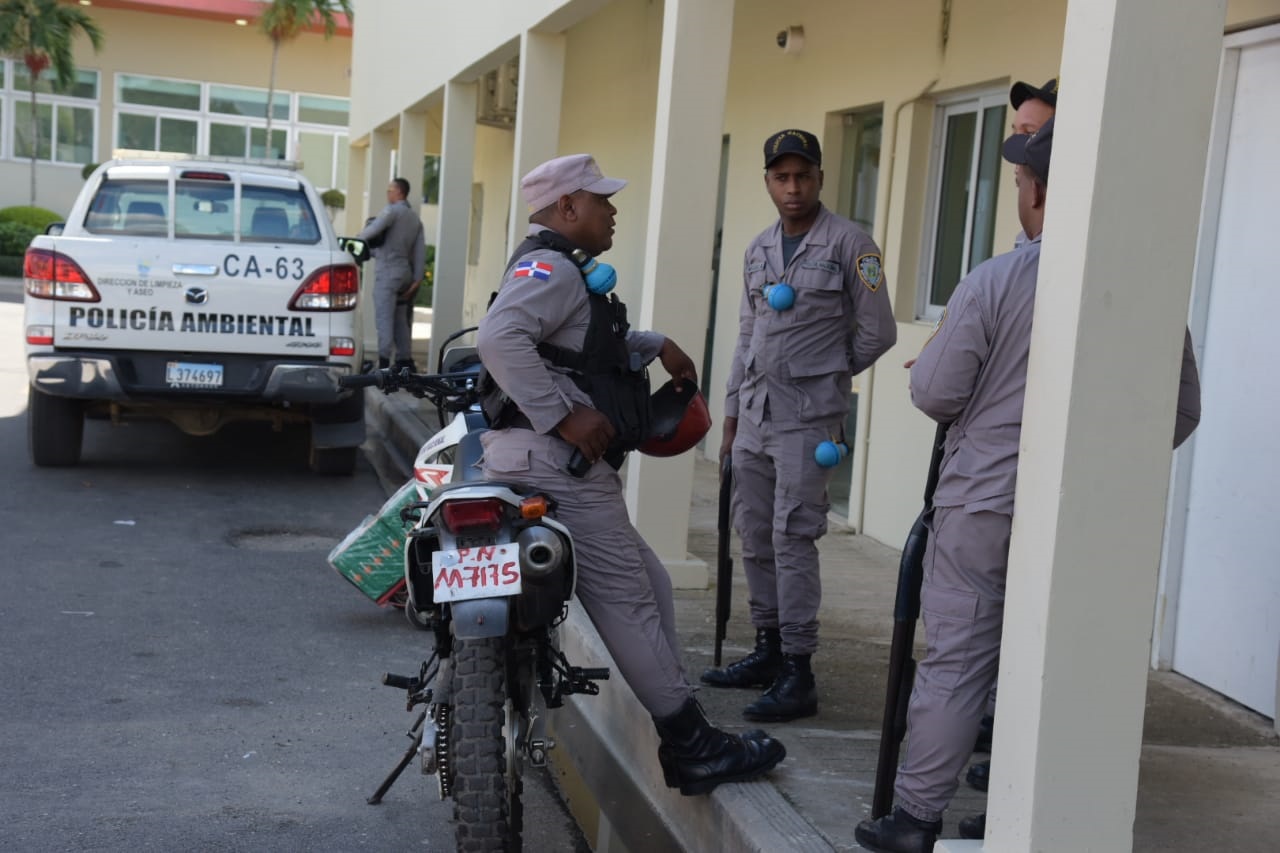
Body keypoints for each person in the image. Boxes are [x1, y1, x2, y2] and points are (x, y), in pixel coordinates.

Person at [855, 117, 1202, 852]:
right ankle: (1030, 809)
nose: (1018, 191)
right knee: (1063, 661)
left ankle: (916, 820)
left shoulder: (995, 280)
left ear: (1040, 191)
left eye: (1018, 180)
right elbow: (1180, 410)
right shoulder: (1149, 285)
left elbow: (937, 394)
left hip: (985, 503)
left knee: (958, 658)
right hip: (1092, 515)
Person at [475, 153, 786, 796]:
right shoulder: (551, 266)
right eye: (602, 200)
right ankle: (692, 746)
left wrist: (651, 343)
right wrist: (566, 418)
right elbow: (500, 340)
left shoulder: (560, 271)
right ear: (567, 209)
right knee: (631, 602)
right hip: (558, 466)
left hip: (533, 459)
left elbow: (574, 345)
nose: (613, 210)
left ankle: (685, 721)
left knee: (651, 582)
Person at [701, 129, 898, 723]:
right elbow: (744, 334)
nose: (793, 188)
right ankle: (766, 647)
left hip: (807, 421)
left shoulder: (850, 245)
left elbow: (878, 332)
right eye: (781, 177)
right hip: (756, 417)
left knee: (793, 537)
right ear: (767, 181)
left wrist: (827, 376)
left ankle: (798, 668)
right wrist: (730, 415)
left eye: (803, 176)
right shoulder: (758, 248)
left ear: (818, 178)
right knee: (754, 534)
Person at [358, 177, 426, 370]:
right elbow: (419, 251)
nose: (388, 194)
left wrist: (355, 240)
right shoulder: (414, 218)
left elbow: (373, 230)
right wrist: (416, 279)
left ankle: (384, 363)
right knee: (400, 320)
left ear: (400, 193)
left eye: (390, 190)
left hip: (388, 274)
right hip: (405, 274)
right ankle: (405, 360)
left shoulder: (391, 211)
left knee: (384, 318)